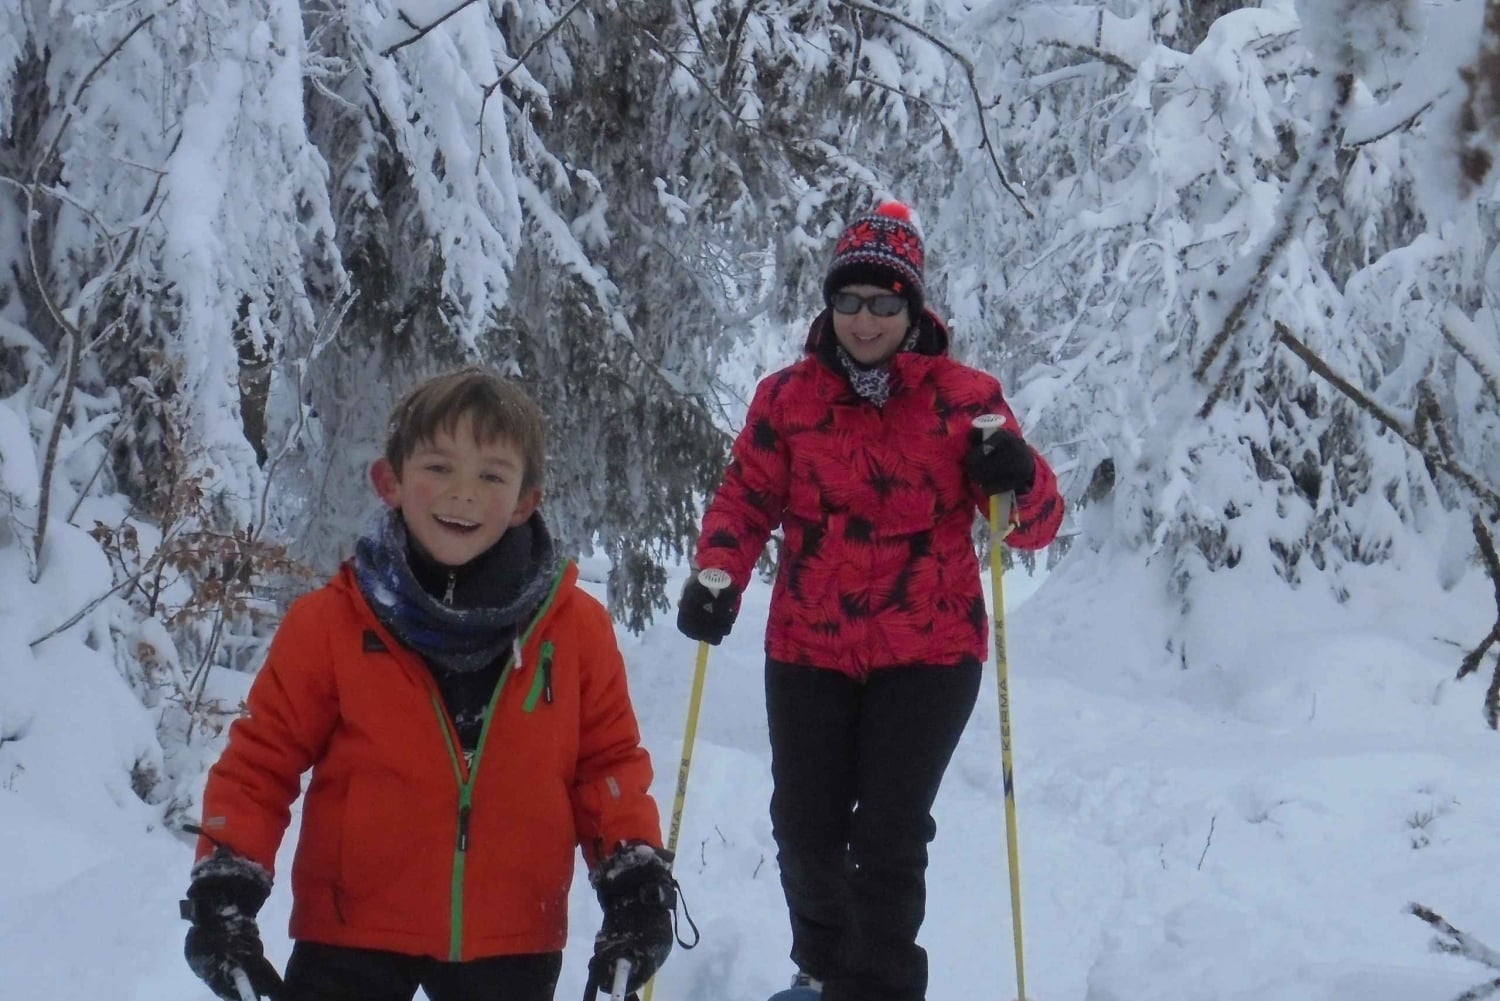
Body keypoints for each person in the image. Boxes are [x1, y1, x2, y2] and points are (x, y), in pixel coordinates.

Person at [181, 368, 677, 1001]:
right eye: (439, 467)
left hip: (511, 933)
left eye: (492, 475)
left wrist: (632, 881)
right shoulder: (332, 622)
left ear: (526, 498)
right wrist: (225, 889)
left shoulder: (573, 629)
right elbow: (260, 763)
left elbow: (606, 765)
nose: (463, 494)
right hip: (350, 928)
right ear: (390, 481)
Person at [676, 201, 1063, 1001]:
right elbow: (745, 497)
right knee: (806, 832)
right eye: (849, 300)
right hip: (809, 647)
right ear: (829, 304)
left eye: (885, 302)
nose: (864, 318)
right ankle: (822, 968)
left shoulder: (967, 399)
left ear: (913, 308)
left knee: (887, 838)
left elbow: (1035, 526)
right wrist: (718, 572)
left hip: (929, 651)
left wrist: (1016, 477)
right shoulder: (787, 398)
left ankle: (878, 989)